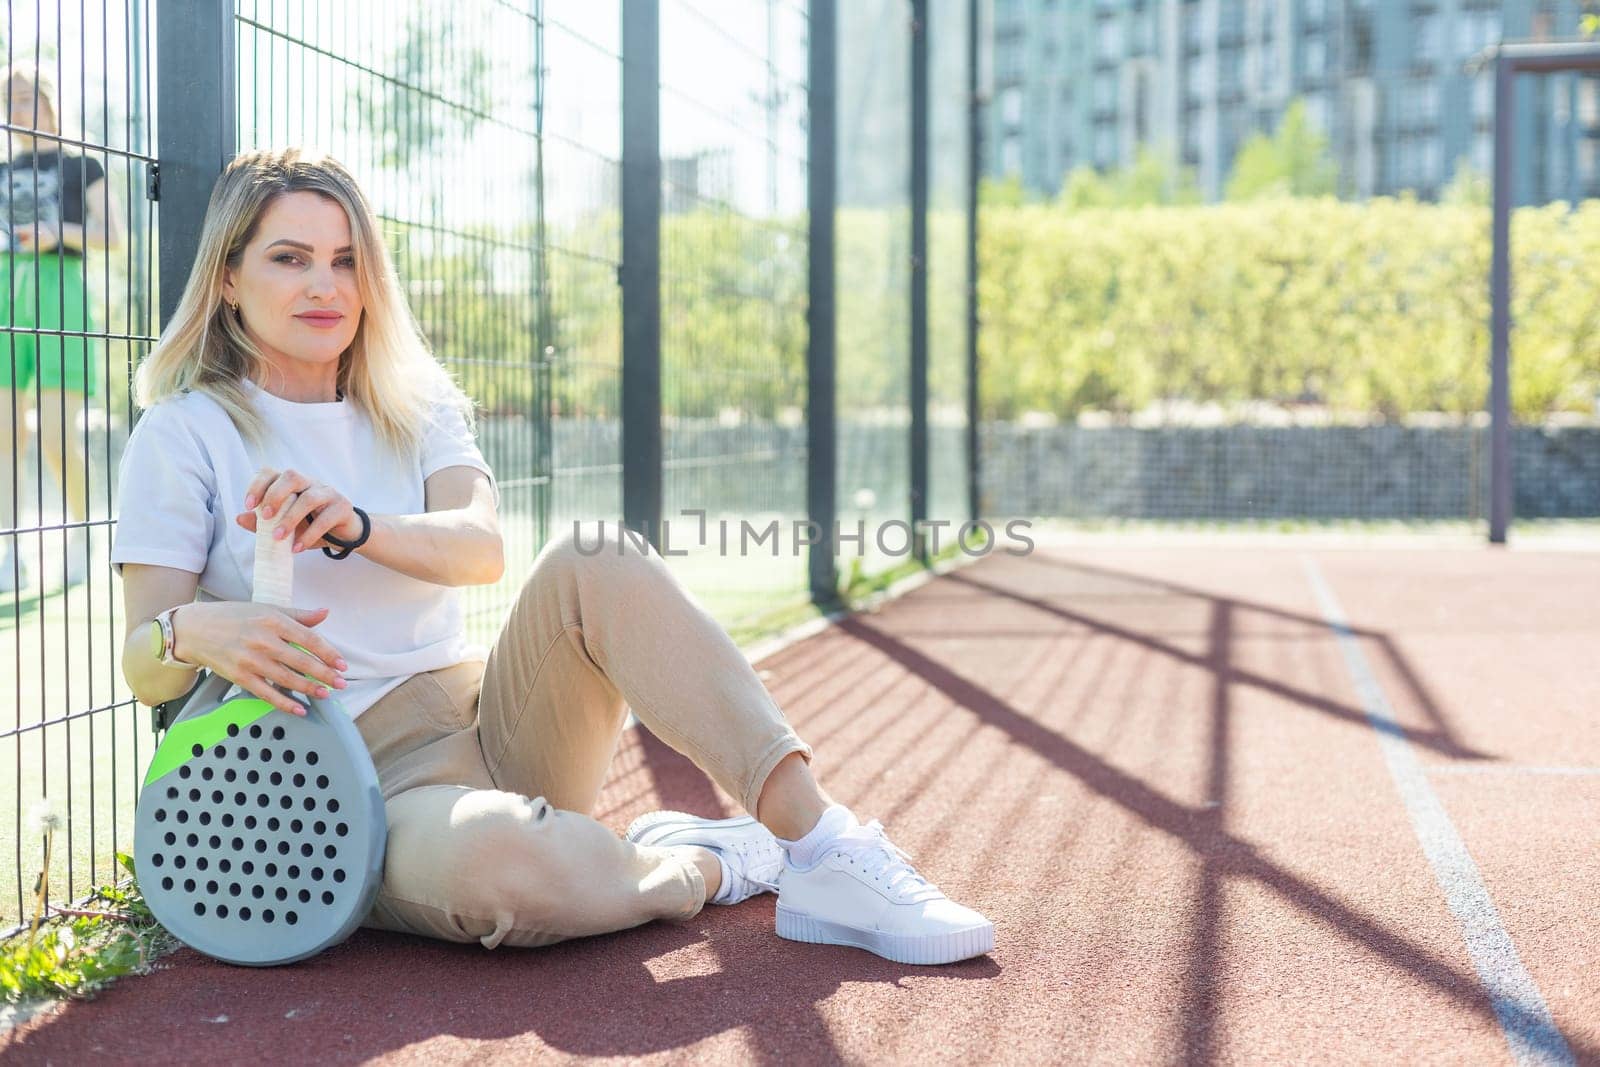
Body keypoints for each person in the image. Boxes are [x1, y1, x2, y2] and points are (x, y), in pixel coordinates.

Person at [112, 148, 994, 965]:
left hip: (487, 722)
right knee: (498, 865)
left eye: (346, 261)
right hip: (332, 783)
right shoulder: (183, 432)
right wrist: (198, 631)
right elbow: (146, 665)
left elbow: (481, 548)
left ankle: (821, 846)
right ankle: (701, 864)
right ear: (228, 277)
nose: (325, 286)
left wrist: (358, 524)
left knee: (597, 551)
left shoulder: (415, 405)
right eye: (290, 258)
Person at [0, 62, 124, 592]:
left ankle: (81, 535)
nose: (20, 108)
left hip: (61, 297)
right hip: (7, 295)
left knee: (54, 434)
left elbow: (112, 235)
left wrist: (57, 233)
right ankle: (8, 551)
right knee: (5, 435)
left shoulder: (82, 165)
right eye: (11, 100)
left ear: (51, 103)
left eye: (29, 97)